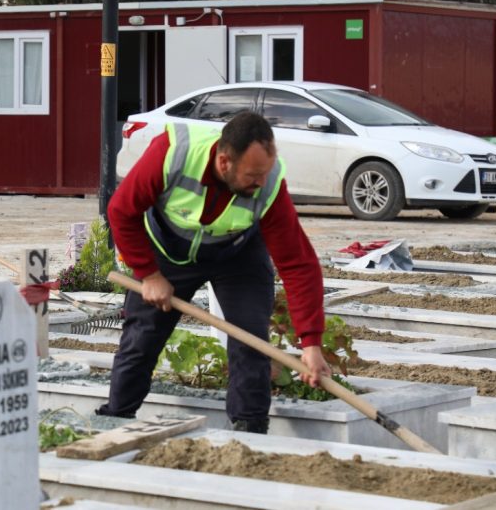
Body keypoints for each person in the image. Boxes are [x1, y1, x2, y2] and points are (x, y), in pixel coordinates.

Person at [98, 111, 330, 434]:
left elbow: (298, 263)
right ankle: (115, 421)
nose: (262, 182)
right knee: (141, 338)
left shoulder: (269, 183)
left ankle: (250, 433)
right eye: (253, 175)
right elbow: (121, 210)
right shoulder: (173, 153)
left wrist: (311, 344)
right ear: (224, 163)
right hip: (167, 254)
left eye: (265, 172)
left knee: (249, 338)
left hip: (238, 256)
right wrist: (149, 275)